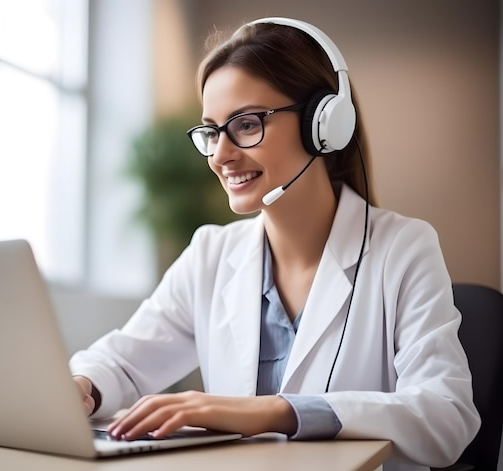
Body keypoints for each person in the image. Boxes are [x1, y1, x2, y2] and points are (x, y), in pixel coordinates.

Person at [70, 17, 480, 471]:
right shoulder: (211, 253)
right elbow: (123, 363)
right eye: (211, 131)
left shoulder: (403, 248)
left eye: (245, 124)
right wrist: (84, 384)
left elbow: (448, 416)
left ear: (323, 124)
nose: (221, 155)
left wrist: (276, 411)